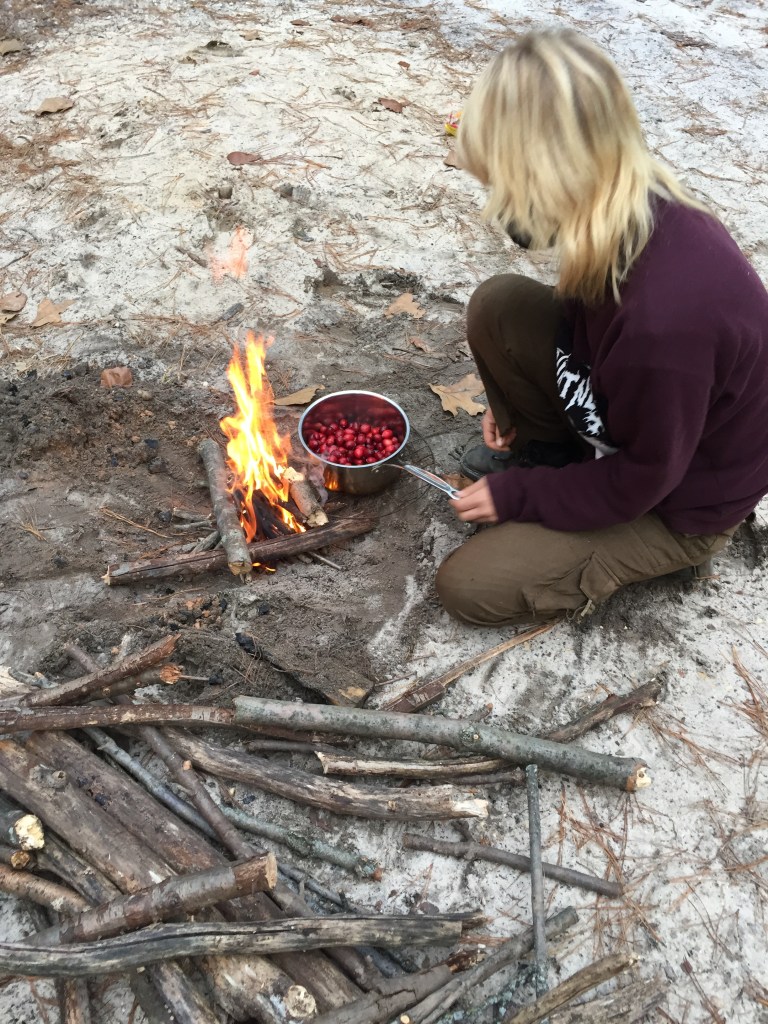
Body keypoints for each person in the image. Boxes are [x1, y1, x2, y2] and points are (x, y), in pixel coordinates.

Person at [436, 30, 768, 626]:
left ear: (548, 178)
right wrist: (518, 400)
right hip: (639, 425)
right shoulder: (620, 202)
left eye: (501, 186)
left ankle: (666, 555)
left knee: (469, 586)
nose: (498, 206)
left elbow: (644, 478)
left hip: (679, 498)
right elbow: (584, 328)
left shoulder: (664, 327)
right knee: (499, 304)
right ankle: (551, 453)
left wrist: (521, 497)